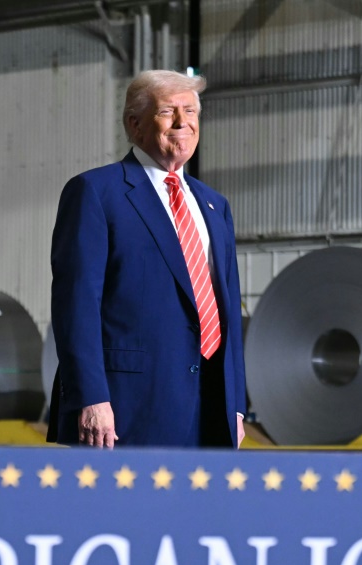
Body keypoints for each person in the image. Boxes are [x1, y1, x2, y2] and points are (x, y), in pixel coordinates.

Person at [48, 69, 245, 449]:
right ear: (135, 124)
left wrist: (235, 405)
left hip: (210, 406)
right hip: (125, 410)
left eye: (190, 111)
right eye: (168, 111)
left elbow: (228, 312)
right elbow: (76, 304)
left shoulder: (214, 205)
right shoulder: (95, 192)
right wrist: (90, 397)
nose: (183, 122)